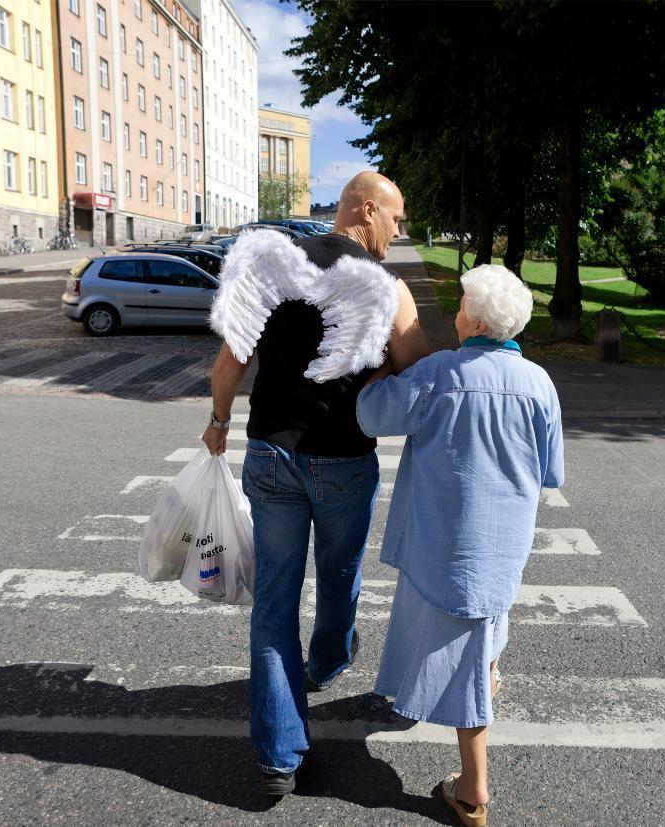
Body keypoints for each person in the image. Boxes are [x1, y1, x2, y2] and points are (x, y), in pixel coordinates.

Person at [200, 171, 431, 799]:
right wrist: (375, 365)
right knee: (338, 576)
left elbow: (229, 362)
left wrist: (219, 422)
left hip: (271, 454)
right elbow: (417, 377)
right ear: (364, 209)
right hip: (345, 461)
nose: (398, 230)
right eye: (395, 216)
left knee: (275, 600)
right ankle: (326, 663)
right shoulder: (389, 290)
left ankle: (279, 756)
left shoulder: (275, 268)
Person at [356, 264, 564, 827]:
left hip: (447, 541)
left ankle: (474, 790)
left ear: (472, 319)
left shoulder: (441, 374)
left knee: (468, 655)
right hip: (506, 538)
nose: (453, 313)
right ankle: (484, 689)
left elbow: (373, 415)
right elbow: (552, 471)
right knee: (489, 629)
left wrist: (376, 370)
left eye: (459, 304)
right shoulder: (540, 382)